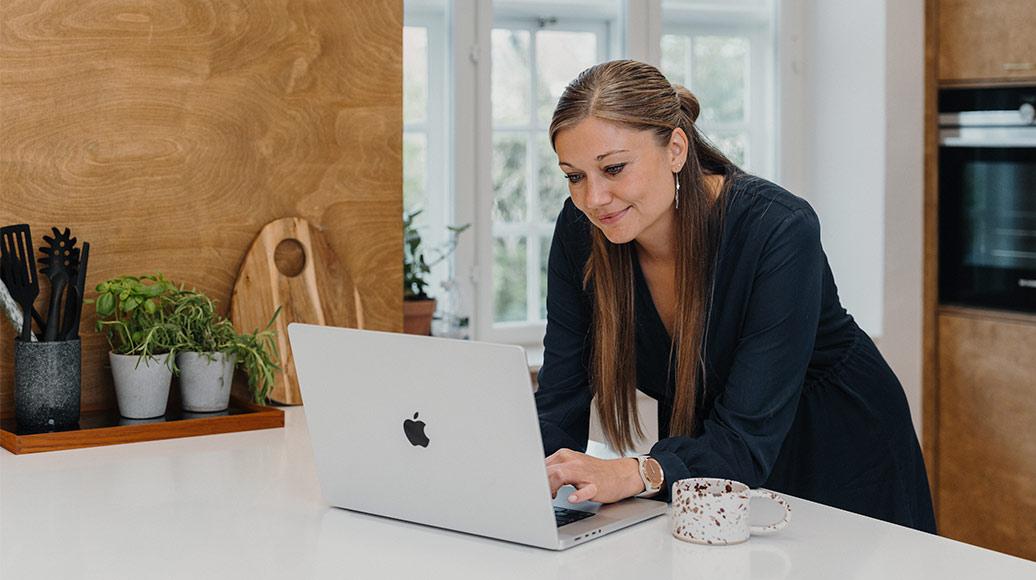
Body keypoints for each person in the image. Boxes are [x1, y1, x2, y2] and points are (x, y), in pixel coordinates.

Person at [535, 59, 936, 533]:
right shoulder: (582, 233)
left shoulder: (779, 230)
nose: (594, 198)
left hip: (837, 447)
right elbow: (560, 397)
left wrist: (632, 472)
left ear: (676, 150)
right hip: (714, 456)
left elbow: (746, 441)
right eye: (574, 176)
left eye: (614, 168)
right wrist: (518, 478)